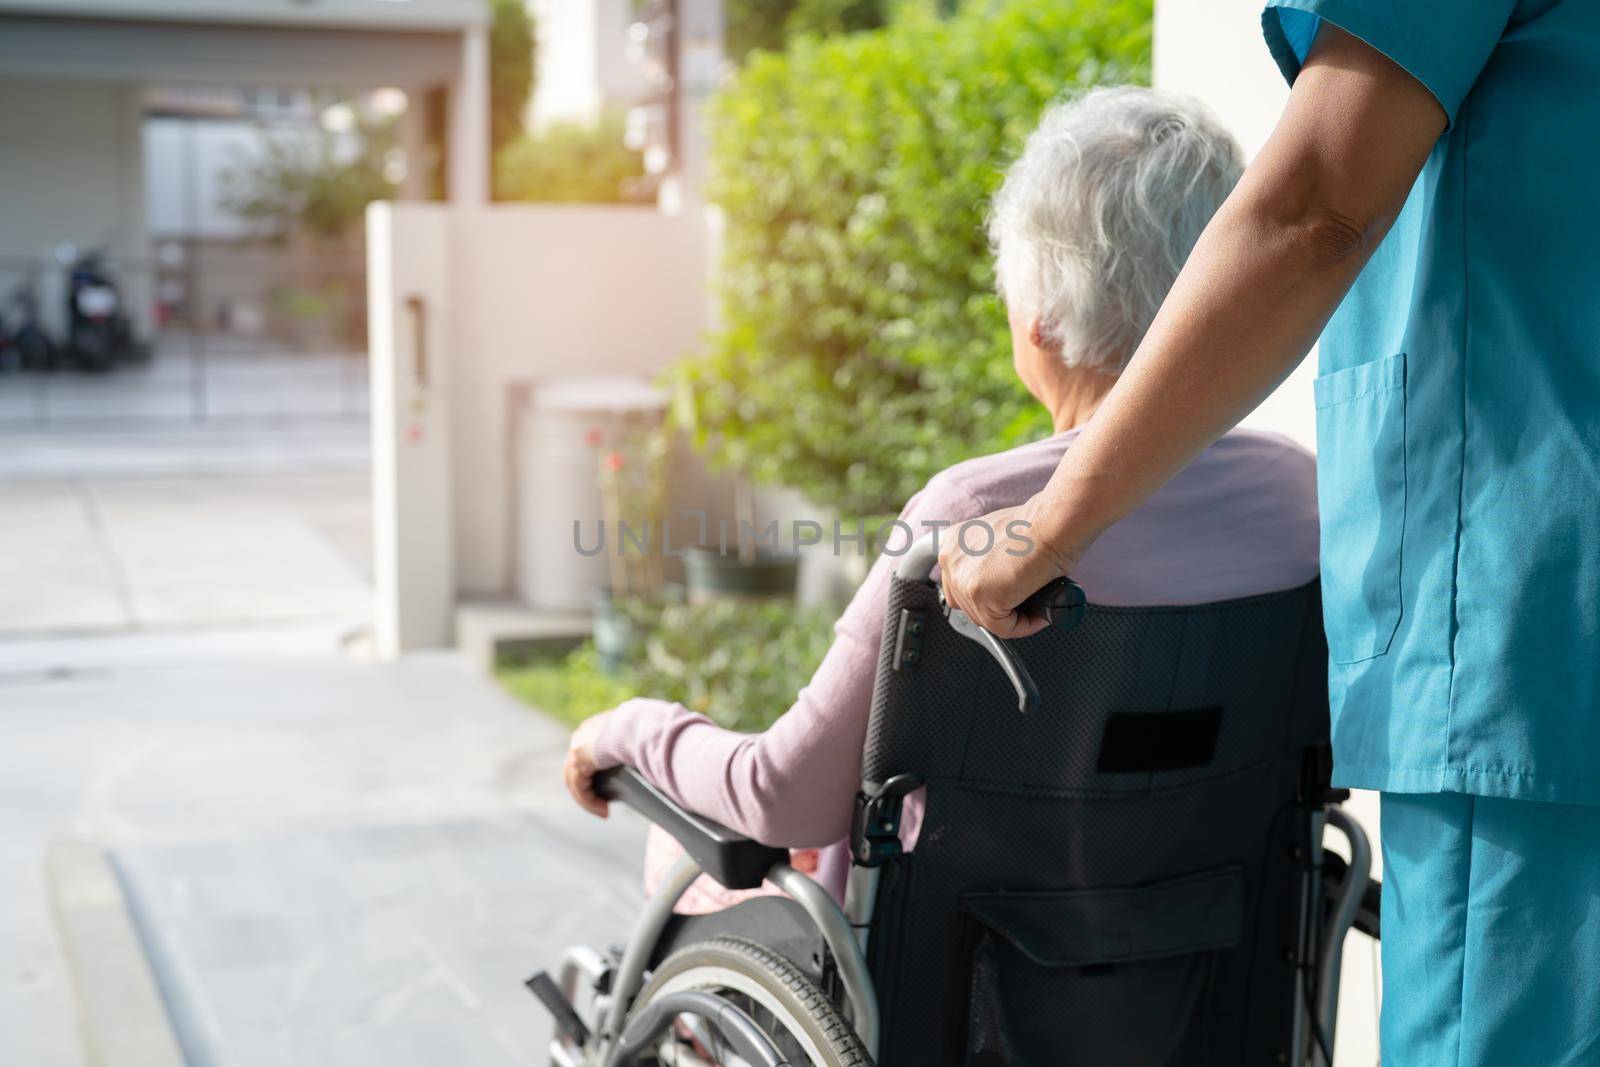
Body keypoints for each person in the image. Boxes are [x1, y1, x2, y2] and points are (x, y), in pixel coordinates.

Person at [939, 6, 1600, 1063]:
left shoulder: (960, 507)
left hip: (1540, 638)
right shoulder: (1279, 501)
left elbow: (1314, 210)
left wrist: (1047, 527)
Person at [563, 87, 1320, 912]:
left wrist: (628, 727)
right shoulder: (1296, 494)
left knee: (679, 844)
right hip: (1204, 965)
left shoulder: (981, 518)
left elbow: (783, 794)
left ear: (1036, 316)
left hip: (961, 982)